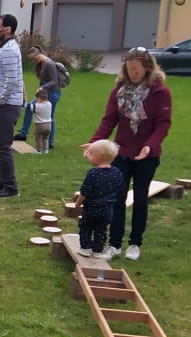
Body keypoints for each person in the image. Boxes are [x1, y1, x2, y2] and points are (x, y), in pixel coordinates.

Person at [84, 47, 172, 261]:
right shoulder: (119, 91)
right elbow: (109, 119)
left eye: (136, 70)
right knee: (117, 198)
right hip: (122, 153)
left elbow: (163, 124)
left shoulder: (160, 92)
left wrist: (149, 145)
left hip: (147, 156)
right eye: (129, 69)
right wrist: (95, 142)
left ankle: (134, 243)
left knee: (140, 199)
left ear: (148, 68)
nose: (133, 73)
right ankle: (114, 245)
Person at [0, 14, 24, 198]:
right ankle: (2, 180)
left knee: (3, 146)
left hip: (7, 104)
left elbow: (12, 81)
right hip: (6, 104)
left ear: (8, 29)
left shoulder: (9, 50)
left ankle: (11, 187)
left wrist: (1, 99)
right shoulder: (7, 48)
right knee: (0, 144)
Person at [74, 140, 125, 258]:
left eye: (91, 154)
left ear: (99, 157)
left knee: (86, 227)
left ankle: (86, 248)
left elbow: (84, 192)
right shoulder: (117, 172)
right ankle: (97, 250)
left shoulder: (93, 173)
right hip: (108, 209)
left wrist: (78, 203)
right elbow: (121, 188)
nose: (88, 157)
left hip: (92, 208)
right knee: (101, 229)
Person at [14, 45, 61, 148]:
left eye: (33, 59)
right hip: (44, 93)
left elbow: (54, 81)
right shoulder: (43, 63)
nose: (33, 61)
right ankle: (23, 134)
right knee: (30, 108)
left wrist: (42, 87)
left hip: (52, 93)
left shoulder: (49, 64)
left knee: (49, 117)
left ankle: (50, 142)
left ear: (37, 55)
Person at [29, 89, 52, 154]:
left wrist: (22, 102)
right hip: (48, 125)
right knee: (46, 138)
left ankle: (39, 150)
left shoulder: (37, 106)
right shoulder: (49, 104)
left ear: (39, 99)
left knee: (38, 137)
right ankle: (46, 150)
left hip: (40, 125)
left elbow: (29, 107)